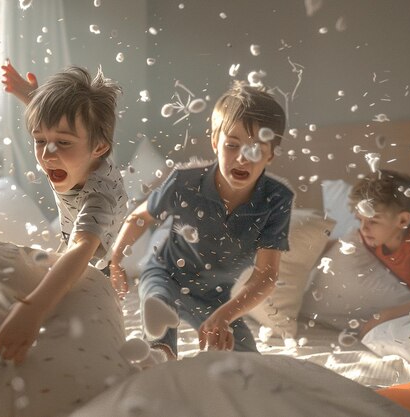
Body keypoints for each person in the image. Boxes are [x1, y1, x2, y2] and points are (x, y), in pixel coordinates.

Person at [109, 81, 294, 359]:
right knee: (159, 318)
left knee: (248, 362)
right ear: (214, 142)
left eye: (256, 149)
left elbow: (266, 276)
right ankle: (160, 359)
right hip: (165, 275)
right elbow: (140, 216)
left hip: (214, 296)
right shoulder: (184, 183)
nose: (243, 158)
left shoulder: (276, 200)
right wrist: (115, 260)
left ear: (271, 154)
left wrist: (225, 315)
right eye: (232, 145)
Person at [0, 62, 128, 363]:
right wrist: (33, 98)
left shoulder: (99, 197)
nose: (47, 154)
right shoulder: (74, 151)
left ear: (99, 148)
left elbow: (81, 249)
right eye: (40, 140)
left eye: (63, 143)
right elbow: (56, 126)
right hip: (71, 236)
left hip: (97, 264)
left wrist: (32, 308)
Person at [348, 169, 410, 337]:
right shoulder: (371, 237)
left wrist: (385, 316)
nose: (363, 228)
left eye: (373, 221)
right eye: (359, 220)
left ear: (402, 220)